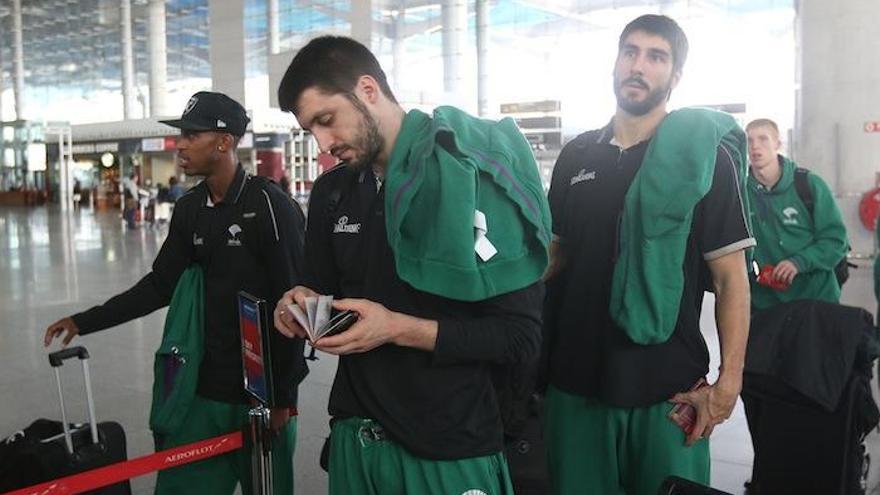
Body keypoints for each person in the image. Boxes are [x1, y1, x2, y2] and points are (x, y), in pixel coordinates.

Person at [273, 36, 549, 495]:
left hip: (448, 448)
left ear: (367, 90)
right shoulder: (332, 193)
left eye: (326, 121)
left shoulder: (472, 177)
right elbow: (319, 291)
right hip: (355, 440)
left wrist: (397, 328)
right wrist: (299, 304)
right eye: (310, 131)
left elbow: (519, 337)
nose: (322, 143)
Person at [43, 91, 307, 495]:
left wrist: (284, 397)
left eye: (191, 135)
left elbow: (294, 302)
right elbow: (159, 286)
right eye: (180, 135)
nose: (179, 144)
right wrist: (85, 321)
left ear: (224, 141)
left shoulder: (270, 205)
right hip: (198, 392)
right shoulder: (190, 209)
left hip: (258, 397)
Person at [542, 14, 753, 495]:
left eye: (656, 57)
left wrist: (728, 384)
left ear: (674, 76)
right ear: (615, 62)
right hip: (576, 382)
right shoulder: (578, 156)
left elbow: (730, 280)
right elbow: (557, 252)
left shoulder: (702, 159)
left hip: (667, 389)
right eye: (630, 52)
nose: (638, 66)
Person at [745, 118, 848, 310]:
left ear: (778, 143)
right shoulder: (740, 193)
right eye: (749, 140)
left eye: (763, 139)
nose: (755, 146)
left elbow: (835, 240)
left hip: (815, 300)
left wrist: (799, 262)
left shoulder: (809, 185)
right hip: (765, 305)